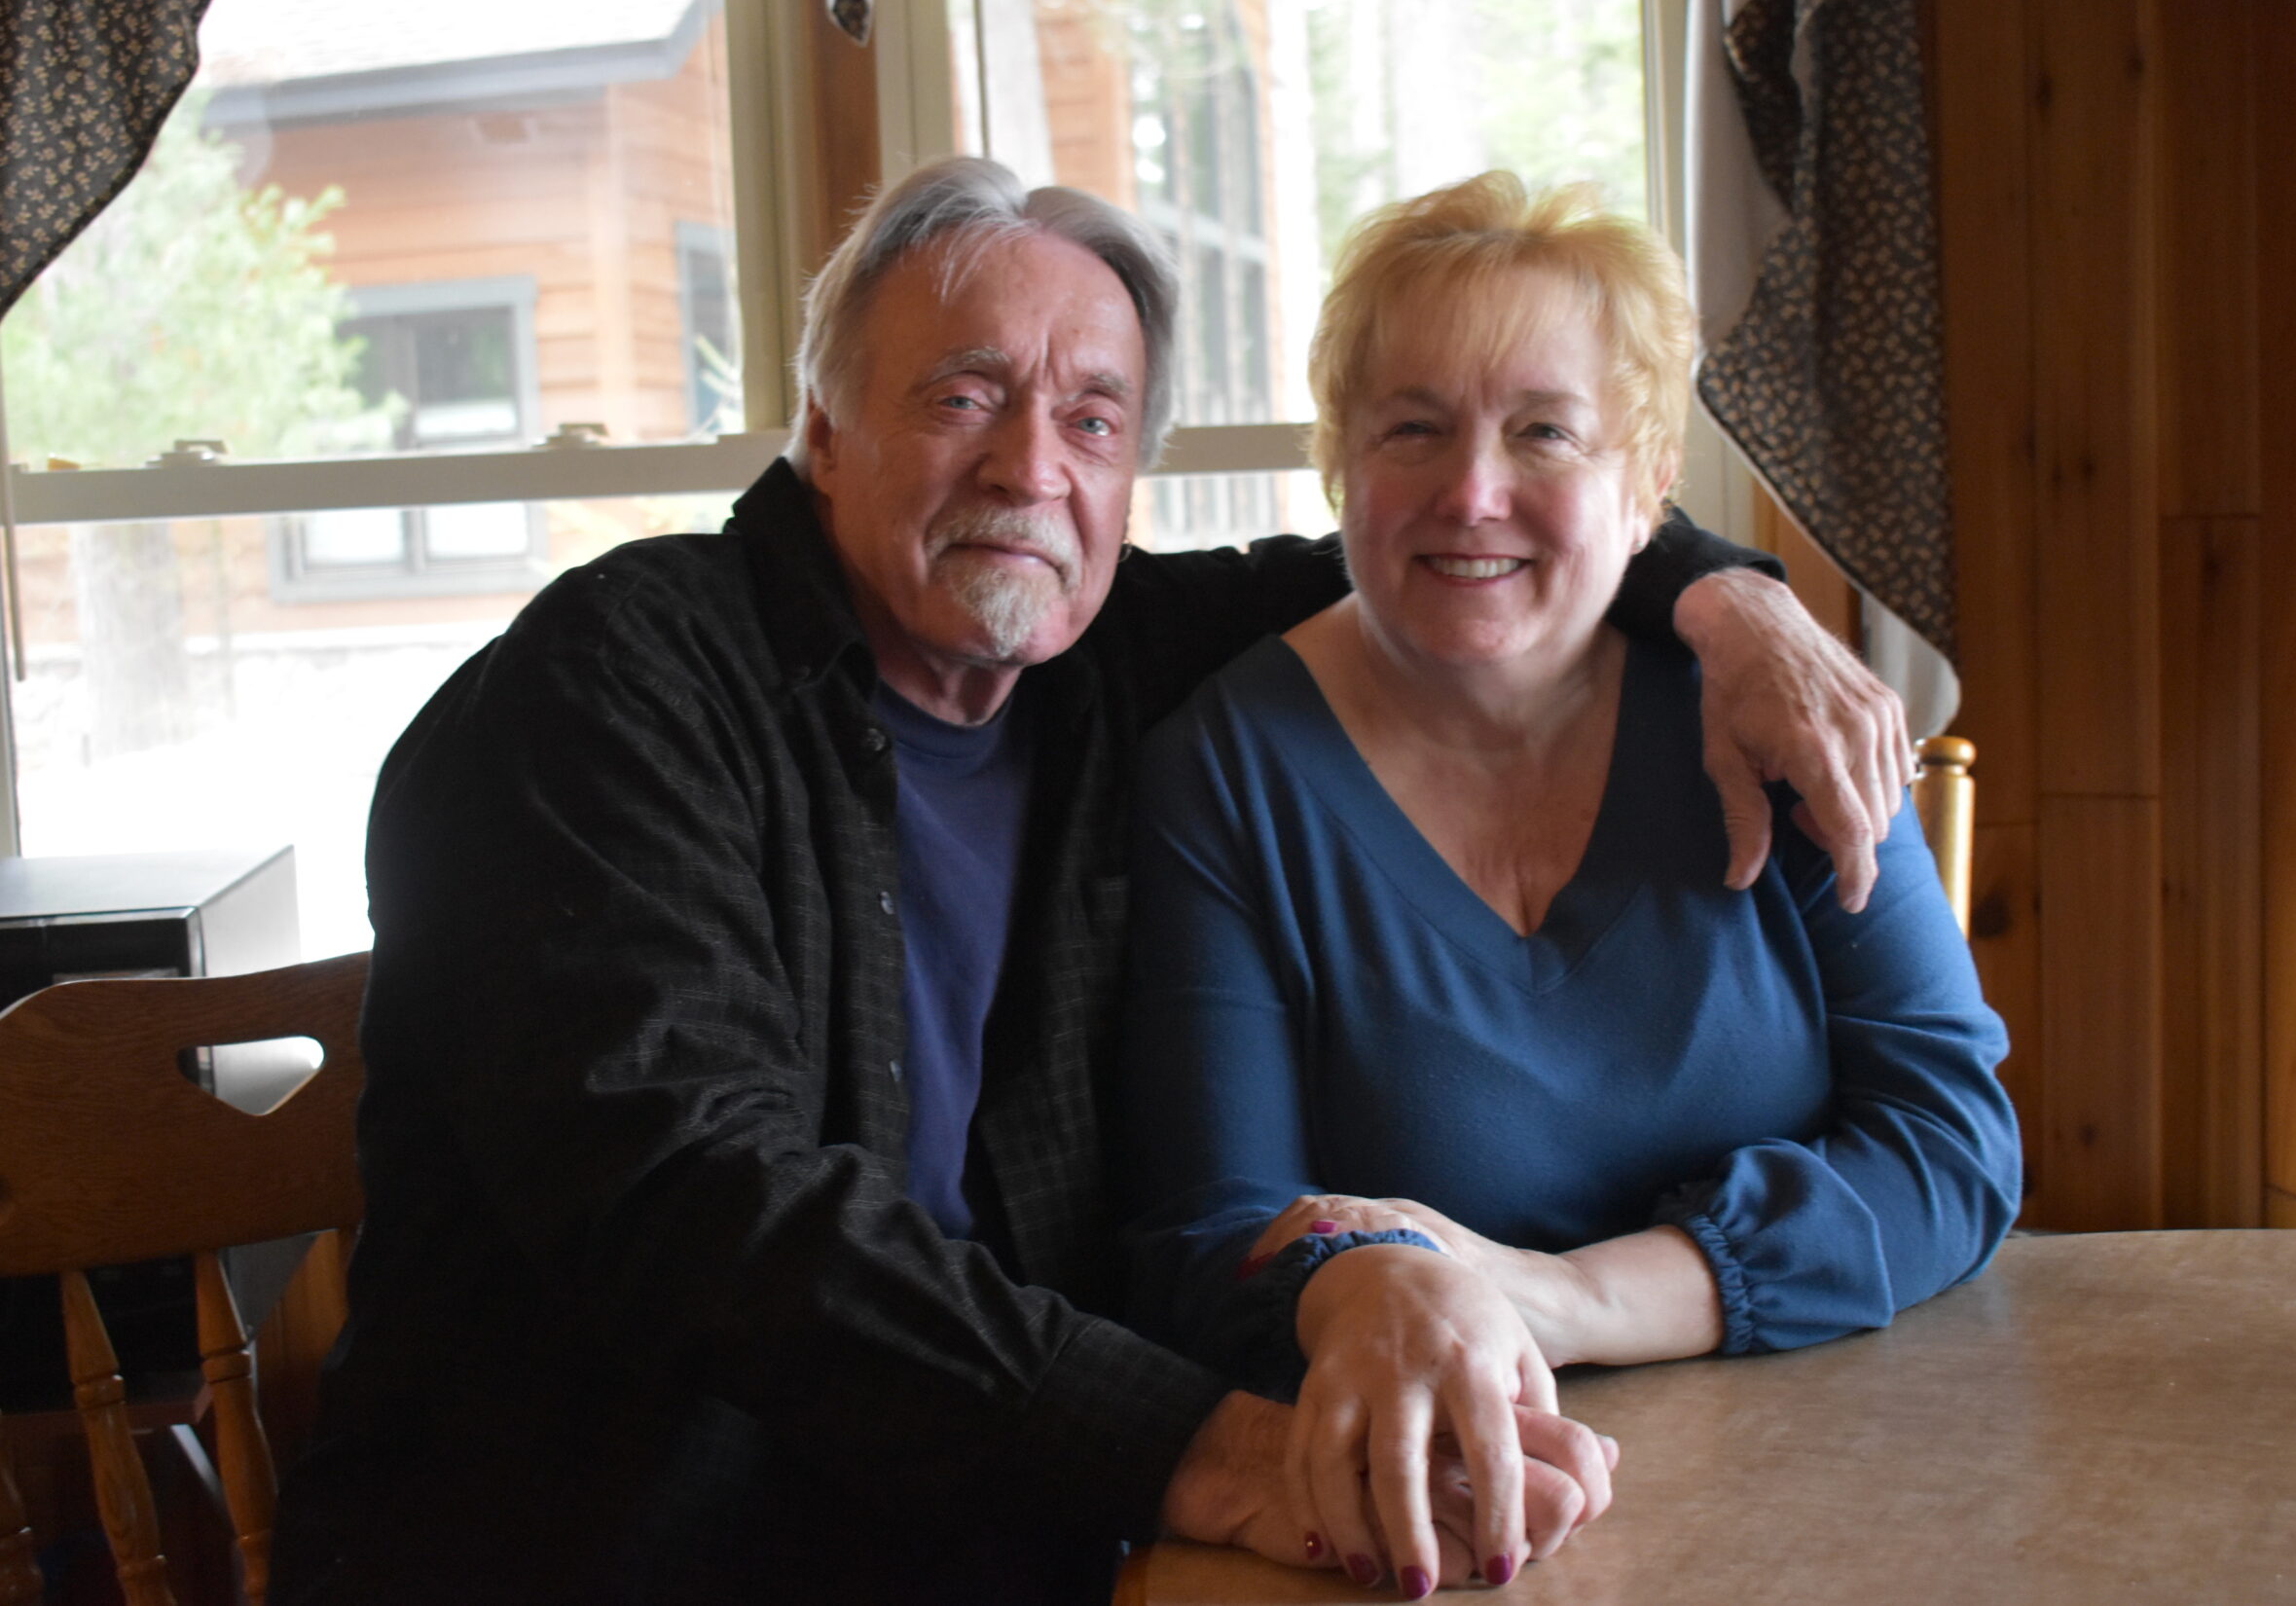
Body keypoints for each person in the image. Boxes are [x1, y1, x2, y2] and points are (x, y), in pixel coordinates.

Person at [271, 158, 1913, 1605]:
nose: (1028, 469)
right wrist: (1210, 1452)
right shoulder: (611, 689)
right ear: (824, 432)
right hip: (624, 1551)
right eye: (965, 395)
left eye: (1093, 419)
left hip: (1027, 1546)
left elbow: (1471, 550)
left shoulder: (1110, 654)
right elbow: (702, 1212)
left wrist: (1734, 605)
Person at [1120, 175, 2023, 1599]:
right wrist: (1358, 1287)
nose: (1473, 493)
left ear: (1648, 477)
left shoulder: (1775, 714)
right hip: (1452, 1526)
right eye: (1412, 426)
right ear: (1340, 462)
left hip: (1864, 1478)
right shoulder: (1223, 772)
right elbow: (1217, 1231)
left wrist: (1564, 1296)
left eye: (1544, 430)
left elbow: (1952, 1145)